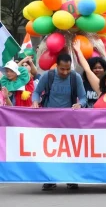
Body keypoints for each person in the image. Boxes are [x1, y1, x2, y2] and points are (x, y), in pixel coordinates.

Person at [32, 53, 87, 191]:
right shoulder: (48, 76)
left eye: (68, 69)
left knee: (69, 151)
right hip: (48, 122)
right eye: (62, 69)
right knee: (50, 151)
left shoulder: (75, 77)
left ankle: (71, 179)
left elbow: (83, 98)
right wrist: (34, 101)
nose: (65, 72)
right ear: (57, 66)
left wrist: (80, 104)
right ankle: (50, 179)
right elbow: (36, 92)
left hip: (68, 122)